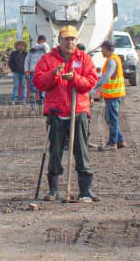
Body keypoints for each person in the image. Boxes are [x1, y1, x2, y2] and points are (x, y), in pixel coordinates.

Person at [34, 25, 100, 202]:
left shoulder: (84, 59)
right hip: (56, 113)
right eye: (66, 39)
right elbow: (39, 82)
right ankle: (53, 190)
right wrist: (53, 75)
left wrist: (76, 79)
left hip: (78, 111)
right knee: (54, 151)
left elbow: (91, 81)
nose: (70, 42)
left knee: (81, 150)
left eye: (73, 39)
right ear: (59, 41)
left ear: (76, 40)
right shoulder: (48, 59)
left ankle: (85, 190)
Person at [95, 39, 127, 151]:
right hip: (113, 95)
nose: (101, 52)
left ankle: (112, 143)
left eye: (102, 49)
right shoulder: (113, 59)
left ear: (106, 49)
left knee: (112, 119)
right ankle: (120, 140)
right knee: (109, 118)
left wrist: (94, 87)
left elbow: (106, 77)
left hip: (113, 95)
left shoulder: (111, 61)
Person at [26, 35, 49, 103]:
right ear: (38, 41)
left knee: (42, 84)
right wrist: (27, 71)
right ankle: (33, 99)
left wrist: (34, 48)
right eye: (40, 40)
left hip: (43, 70)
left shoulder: (45, 47)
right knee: (33, 84)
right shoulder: (32, 49)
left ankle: (42, 100)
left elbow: (44, 46)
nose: (42, 42)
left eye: (43, 40)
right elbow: (27, 60)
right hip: (33, 70)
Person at [8, 39, 29, 104]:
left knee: (24, 86)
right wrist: (14, 69)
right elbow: (10, 62)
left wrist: (28, 72)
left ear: (24, 47)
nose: (20, 47)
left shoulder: (27, 54)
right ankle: (15, 99)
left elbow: (29, 62)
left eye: (22, 45)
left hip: (24, 73)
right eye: (19, 45)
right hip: (16, 73)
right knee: (16, 86)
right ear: (17, 47)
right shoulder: (13, 54)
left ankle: (24, 99)